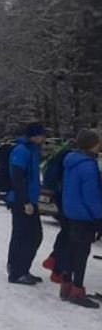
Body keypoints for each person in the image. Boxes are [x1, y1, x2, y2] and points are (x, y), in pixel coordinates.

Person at [60, 129, 102, 308]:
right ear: (92, 143)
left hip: (71, 211)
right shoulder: (88, 165)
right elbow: (91, 196)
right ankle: (77, 291)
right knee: (81, 253)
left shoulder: (71, 161)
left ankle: (66, 286)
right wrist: (100, 216)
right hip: (85, 215)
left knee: (71, 250)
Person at [6, 122, 46, 285]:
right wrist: (26, 202)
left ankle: (19, 268)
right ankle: (17, 272)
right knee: (30, 236)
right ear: (34, 136)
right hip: (22, 200)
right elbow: (18, 177)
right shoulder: (22, 151)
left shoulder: (32, 150)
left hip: (28, 199)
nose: (44, 138)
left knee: (26, 235)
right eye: (42, 135)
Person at [41, 136, 75, 285]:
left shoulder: (63, 152)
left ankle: (54, 259)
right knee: (71, 233)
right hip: (67, 196)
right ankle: (59, 269)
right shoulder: (72, 156)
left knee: (66, 230)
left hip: (60, 196)